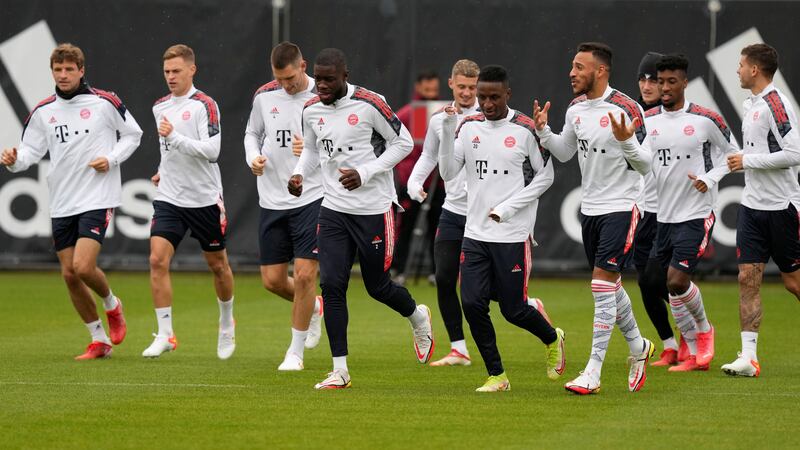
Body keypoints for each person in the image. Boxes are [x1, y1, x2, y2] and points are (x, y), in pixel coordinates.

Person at [289, 48, 434, 390]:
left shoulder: (371, 103)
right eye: (319, 79)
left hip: (374, 209)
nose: (321, 86)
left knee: (377, 287)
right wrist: (298, 174)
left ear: (345, 76)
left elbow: (401, 143)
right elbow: (311, 149)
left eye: (329, 79)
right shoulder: (310, 109)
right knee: (333, 286)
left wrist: (365, 172)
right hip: (334, 209)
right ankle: (340, 370)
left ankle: (418, 317)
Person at [1, 43, 142, 359]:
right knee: (68, 274)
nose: (63, 75)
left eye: (69, 69)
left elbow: (134, 134)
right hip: (63, 199)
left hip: (97, 195)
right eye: (57, 69)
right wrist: (13, 159)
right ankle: (99, 340)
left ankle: (112, 304)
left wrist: (111, 157)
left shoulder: (105, 102)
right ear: (52, 71)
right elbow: (30, 153)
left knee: (82, 266)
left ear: (81, 70)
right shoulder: (43, 111)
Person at [533, 42, 654, 395]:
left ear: (600, 71)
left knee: (601, 286)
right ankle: (638, 347)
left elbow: (646, 165)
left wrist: (627, 141)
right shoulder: (575, 109)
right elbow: (566, 152)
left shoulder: (627, 108)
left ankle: (593, 371)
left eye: (579, 66)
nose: (571, 72)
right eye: (572, 66)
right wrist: (543, 132)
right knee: (610, 288)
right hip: (591, 209)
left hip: (624, 205)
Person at [438, 65, 565, 391]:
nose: (487, 103)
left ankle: (552, 338)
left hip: (512, 234)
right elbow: (448, 172)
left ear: (508, 94)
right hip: (475, 232)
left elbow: (546, 176)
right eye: (482, 97)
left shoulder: (525, 129)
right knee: (472, 304)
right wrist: (447, 127)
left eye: (494, 97)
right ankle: (497, 375)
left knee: (513, 310)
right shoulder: (468, 126)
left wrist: (508, 209)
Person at [142, 44, 236, 360]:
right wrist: (160, 170)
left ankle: (226, 322)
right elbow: (167, 151)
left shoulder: (204, 105)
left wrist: (175, 139)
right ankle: (166, 334)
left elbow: (213, 151)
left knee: (218, 266)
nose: (170, 76)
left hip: (204, 199)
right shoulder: (159, 107)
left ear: (191, 70)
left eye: (176, 71)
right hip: (169, 197)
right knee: (156, 260)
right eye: (167, 71)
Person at [646, 54, 738, 371]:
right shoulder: (648, 122)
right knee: (664, 283)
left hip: (697, 213)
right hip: (664, 216)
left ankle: (704, 331)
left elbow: (734, 154)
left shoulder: (706, 119)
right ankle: (690, 350)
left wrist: (708, 179)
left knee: (676, 280)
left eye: (672, 81)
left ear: (685, 83)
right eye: (661, 81)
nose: (665, 87)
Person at [244, 42, 324, 371]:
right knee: (273, 281)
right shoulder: (265, 95)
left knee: (305, 276)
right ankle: (314, 309)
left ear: (303, 66)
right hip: (272, 198)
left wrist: (313, 147)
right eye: (279, 79)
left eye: (290, 78)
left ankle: (295, 352)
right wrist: (253, 158)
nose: (285, 85)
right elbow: (251, 132)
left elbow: (342, 143)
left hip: (312, 194)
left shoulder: (324, 96)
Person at [722, 43, 800, 377]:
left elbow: (795, 152)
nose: (737, 70)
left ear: (755, 69)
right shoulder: (751, 104)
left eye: (740, 65)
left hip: (781, 207)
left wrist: (747, 161)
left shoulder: (776, 103)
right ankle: (749, 358)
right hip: (752, 207)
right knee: (746, 278)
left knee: (793, 283)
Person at [406, 59, 480, 366]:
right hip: (452, 210)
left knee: (490, 292)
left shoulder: (490, 116)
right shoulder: (438, 117)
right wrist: (413, 182)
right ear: (450, 83)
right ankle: (459, 348)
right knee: (446, 277)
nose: (466, 93)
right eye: (461, 86)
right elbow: (427, 156)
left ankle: (527, 304)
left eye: (472, 87)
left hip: (483, 213)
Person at [633, 52, 687, 366]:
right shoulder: (636, 117)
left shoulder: (674, 117)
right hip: (644, 210)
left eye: (654, 79)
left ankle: (695, 331)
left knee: (660, 279)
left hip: (672, 211)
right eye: (643, 78)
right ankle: (670, 344)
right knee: (646, 282)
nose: (648, 84)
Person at [393, 69, 442, 283]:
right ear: (419, 87)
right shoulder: (407, 114)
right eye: (427, 89)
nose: (431, 93)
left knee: (437, 228)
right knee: (406, 226)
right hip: (412, 182)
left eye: (434, 89)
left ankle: (436, 271)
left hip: (439, 182)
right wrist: (407, 171)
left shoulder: (443, 113)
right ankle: (399, 268)